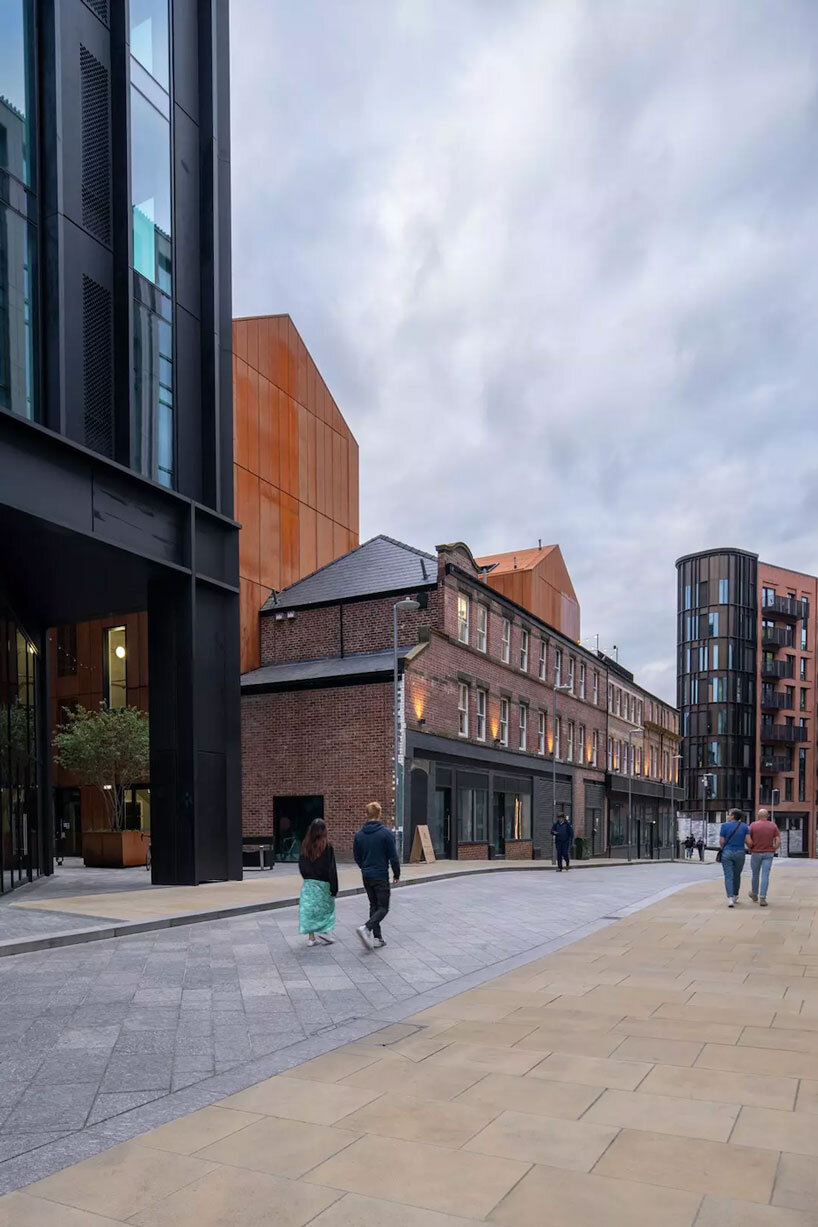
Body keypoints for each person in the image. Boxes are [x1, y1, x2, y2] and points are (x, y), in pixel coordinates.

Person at [353, 801, 400, 950]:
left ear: (367, 814)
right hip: (380, 874)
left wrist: (364, 867)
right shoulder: (386, 833)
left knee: (373, 905)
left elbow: (357, 856)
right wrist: (396, 873)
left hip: (366, 874)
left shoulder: (359, 835)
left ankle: (377, 938)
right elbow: (393, 856)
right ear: (379, 814)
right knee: (383, 907)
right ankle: (366, 928)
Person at [298, 818, 338, 946]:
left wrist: (307, 877)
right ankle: (325, 932)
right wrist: (334, 887)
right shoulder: (327, 846)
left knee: (309, 910)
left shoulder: (305, 845)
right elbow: (331, 868)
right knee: (326, 909)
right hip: (323, 883)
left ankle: (311, 938)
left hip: (309, 883)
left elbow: (301, 864)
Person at [747, 807, 780, 907]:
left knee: (755, 874)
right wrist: (774, 848)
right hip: (769, 853)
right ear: (768, 816)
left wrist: (750, 847)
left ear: (758, 816)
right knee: (765, 875)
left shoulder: (753, 825)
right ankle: (762, 897)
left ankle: (754, 893)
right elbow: (778, 841)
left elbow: (748, 839)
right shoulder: (773, 826)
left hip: (756, 852)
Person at [719, 807, 750, 908]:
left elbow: (722, 841)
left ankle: (730, 898)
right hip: (740, 852)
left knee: (728, 875)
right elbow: (748, 841)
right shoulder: (745, 827)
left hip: (727, 852)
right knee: (737, 875)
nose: (727, 816)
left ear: (732, 816)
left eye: (729, 814)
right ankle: (736, 895)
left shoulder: (724, 826)